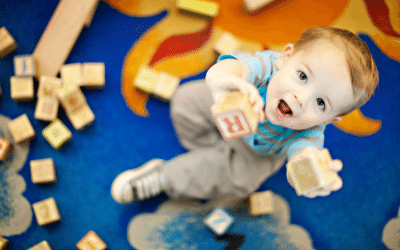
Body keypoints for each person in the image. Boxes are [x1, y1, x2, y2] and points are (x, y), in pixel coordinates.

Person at [111, 27, 379, 204]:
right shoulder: (269, 65)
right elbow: (234, 66)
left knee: (238, 182)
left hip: (257, 152)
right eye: (302, 76)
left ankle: (164, 176)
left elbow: (302, 156)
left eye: (320, 102)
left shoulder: (309, 133)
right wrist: (222, 82)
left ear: (328, 121)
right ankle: (211, 154)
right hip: (226, 101)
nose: (301, 97)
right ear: (285, 58)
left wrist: (310, 174)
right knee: (184, 100)